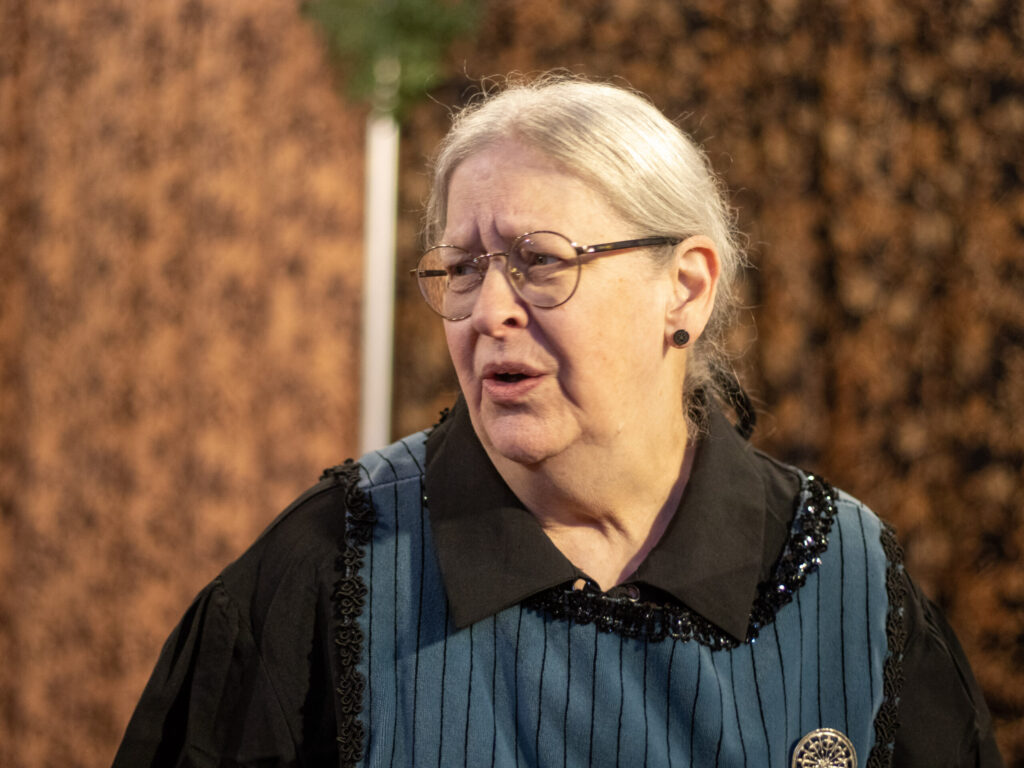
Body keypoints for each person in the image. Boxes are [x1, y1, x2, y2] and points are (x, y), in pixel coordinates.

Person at [113, 74, 1003, 767]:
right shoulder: (328, 569)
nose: (487, 310)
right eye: (463, 267)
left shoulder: (846, 580)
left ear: (685, 288)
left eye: (540, 261)